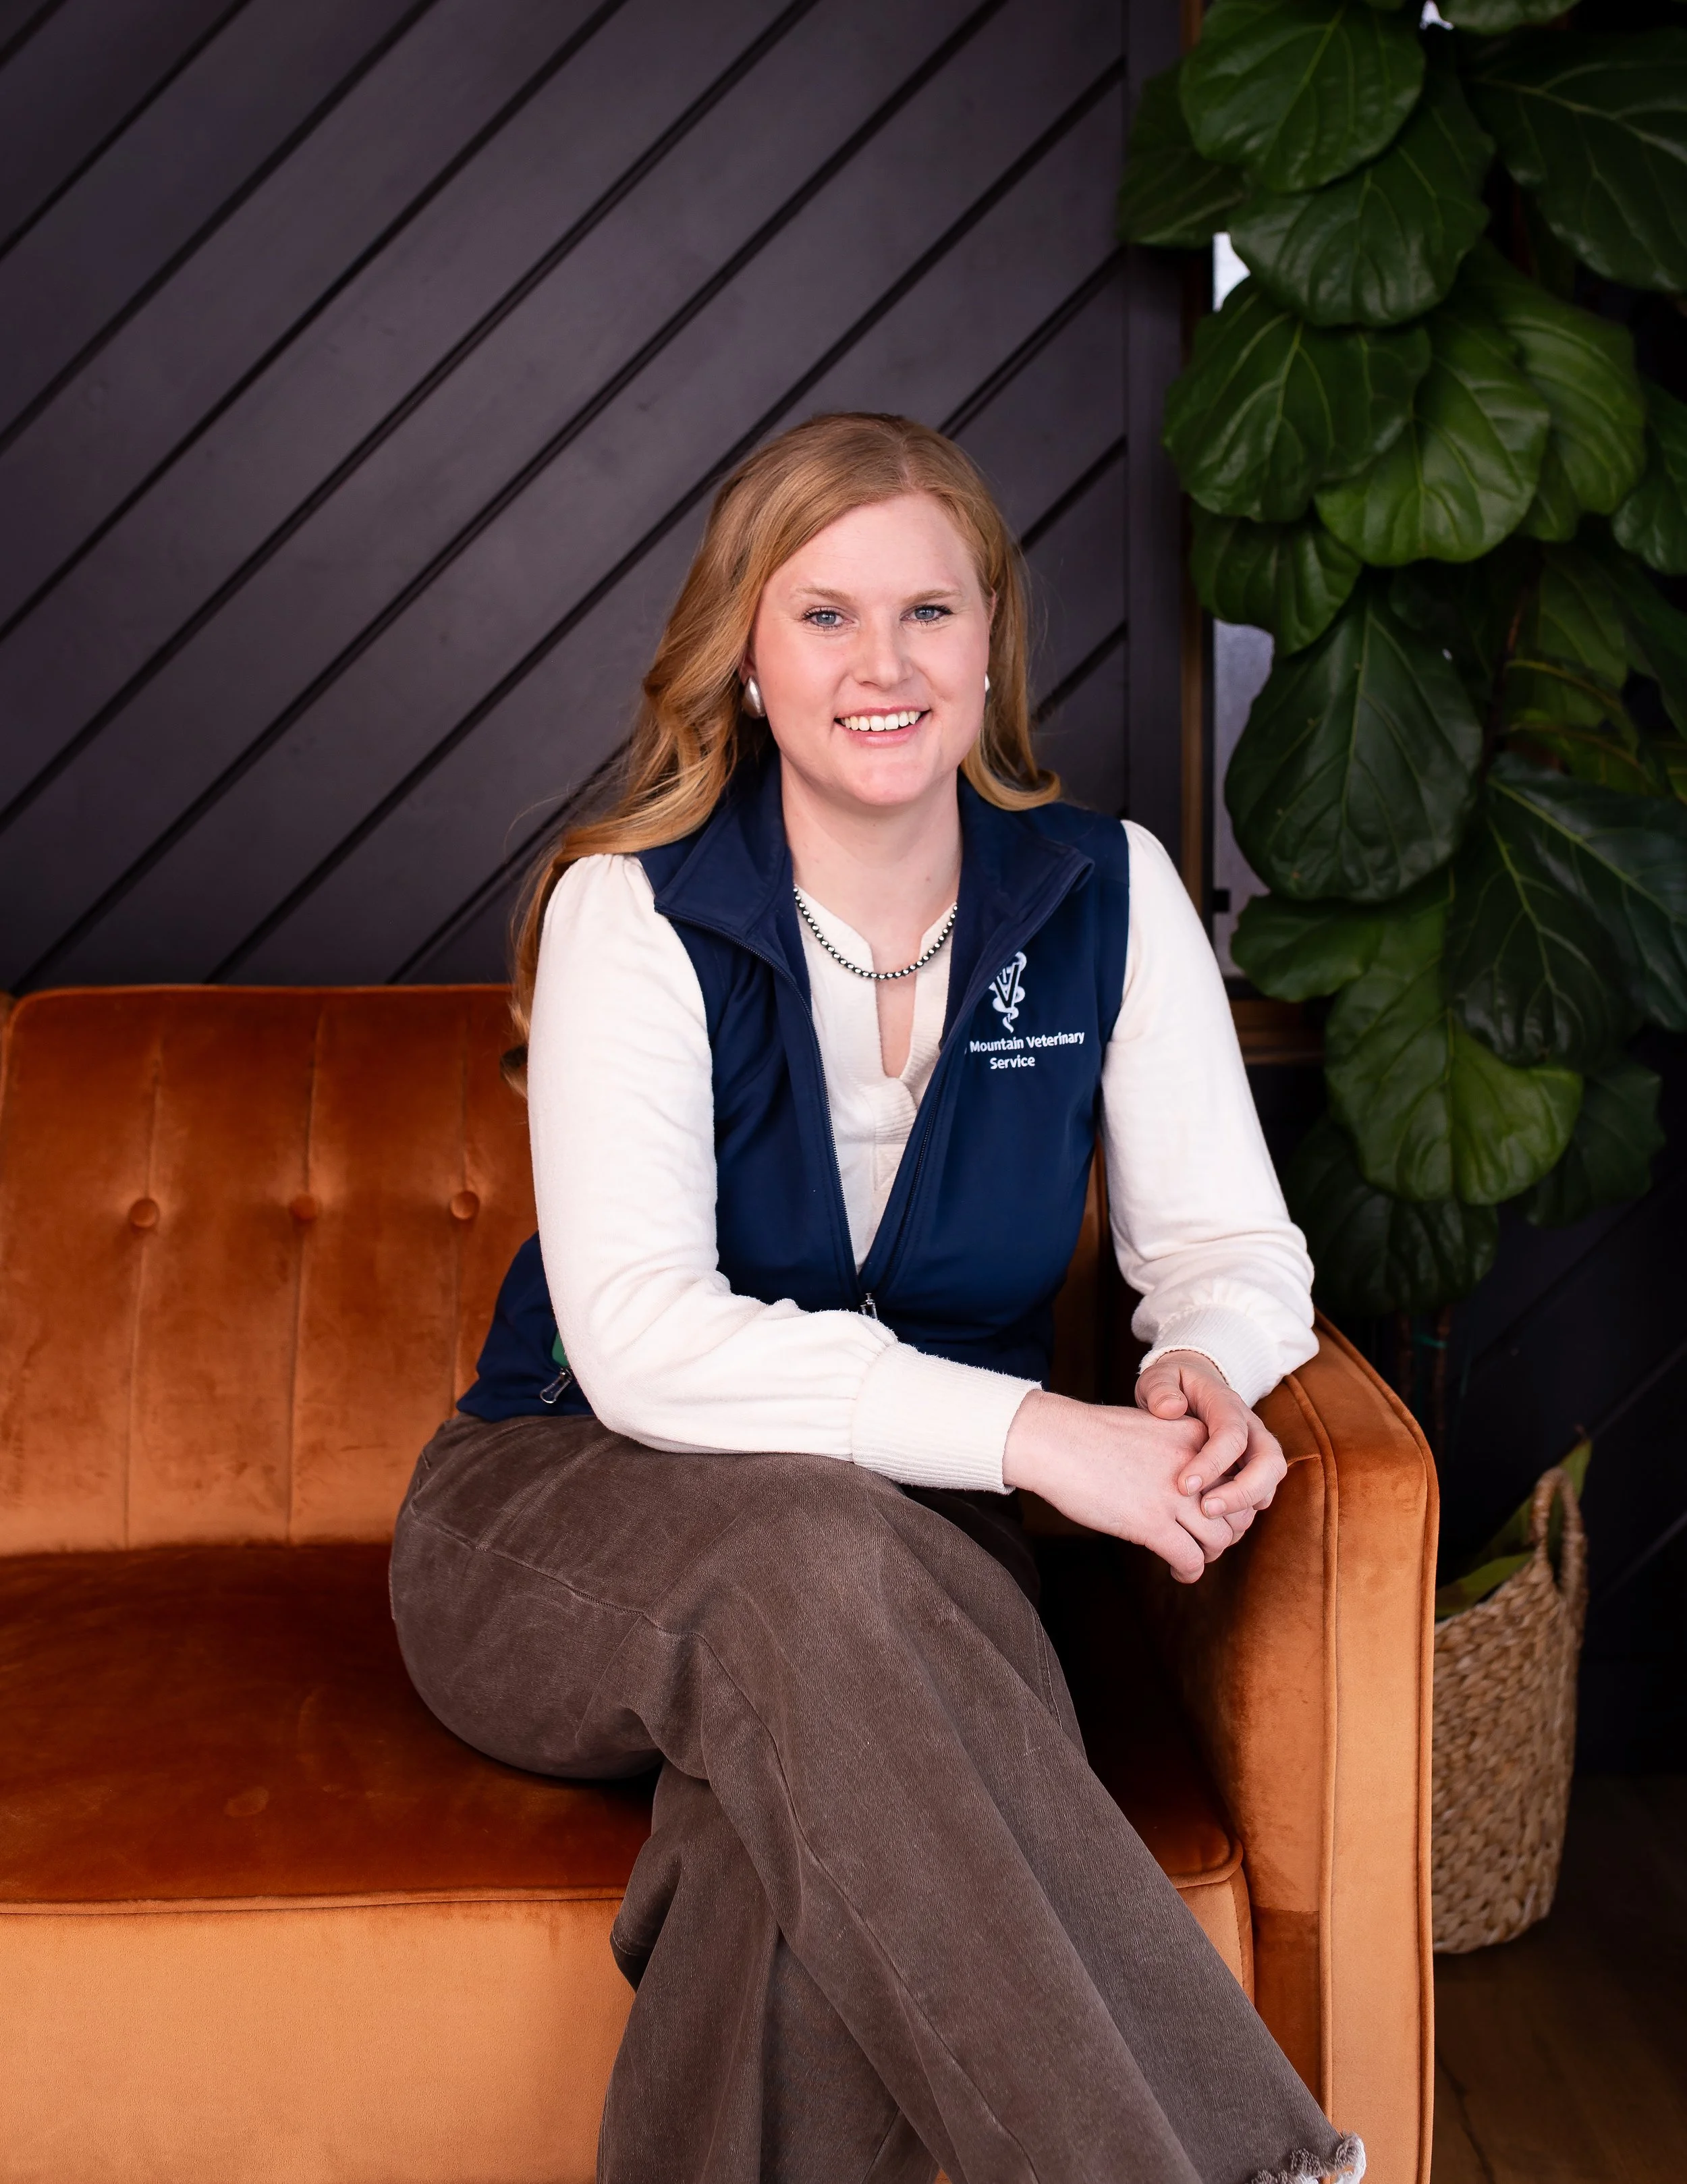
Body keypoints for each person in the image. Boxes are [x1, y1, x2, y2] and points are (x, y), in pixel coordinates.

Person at [389, 412, 1365, 2184]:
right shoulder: (634, 913)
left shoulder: (1106, 895)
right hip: (557, 1513)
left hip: (913, 1561)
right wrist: (1041, 1433)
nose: (882, 664)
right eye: (824, 614)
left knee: (786, 1818)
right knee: (815, 1567)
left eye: (927, 610)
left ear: (989, 644)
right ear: (745, 659)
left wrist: (1205, 1367)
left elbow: (1231, 1252)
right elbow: (644, 1342)